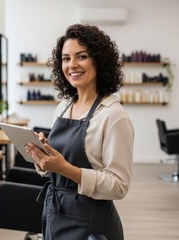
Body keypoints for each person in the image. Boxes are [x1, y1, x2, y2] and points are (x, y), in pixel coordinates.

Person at [25, 23, 134, 240]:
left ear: (98, 60)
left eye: (81, 56)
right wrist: (43, 157)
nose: (72, 65)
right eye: (66, 58)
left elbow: (119, 186)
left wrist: (65, 168)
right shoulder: (63, 106)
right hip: (56, 214)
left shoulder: (113, 115)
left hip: (92, 225)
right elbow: (56, 167)